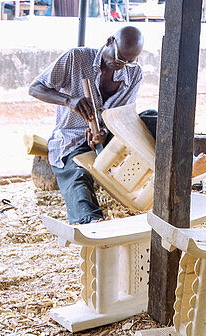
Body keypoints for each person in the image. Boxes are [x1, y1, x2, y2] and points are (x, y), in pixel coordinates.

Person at [29, 27, 145, 224]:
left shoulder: (134, 74)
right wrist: (69, 101)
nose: (121, 65)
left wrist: (105, 132)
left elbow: (124, 116)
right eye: (118, 58)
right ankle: (90, 223)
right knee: (77, 175)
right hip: (72, 139)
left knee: (152, 118)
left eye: (128, 61)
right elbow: (35, 88)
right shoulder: (77, 58)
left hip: (111, 136)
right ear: (110, 41)